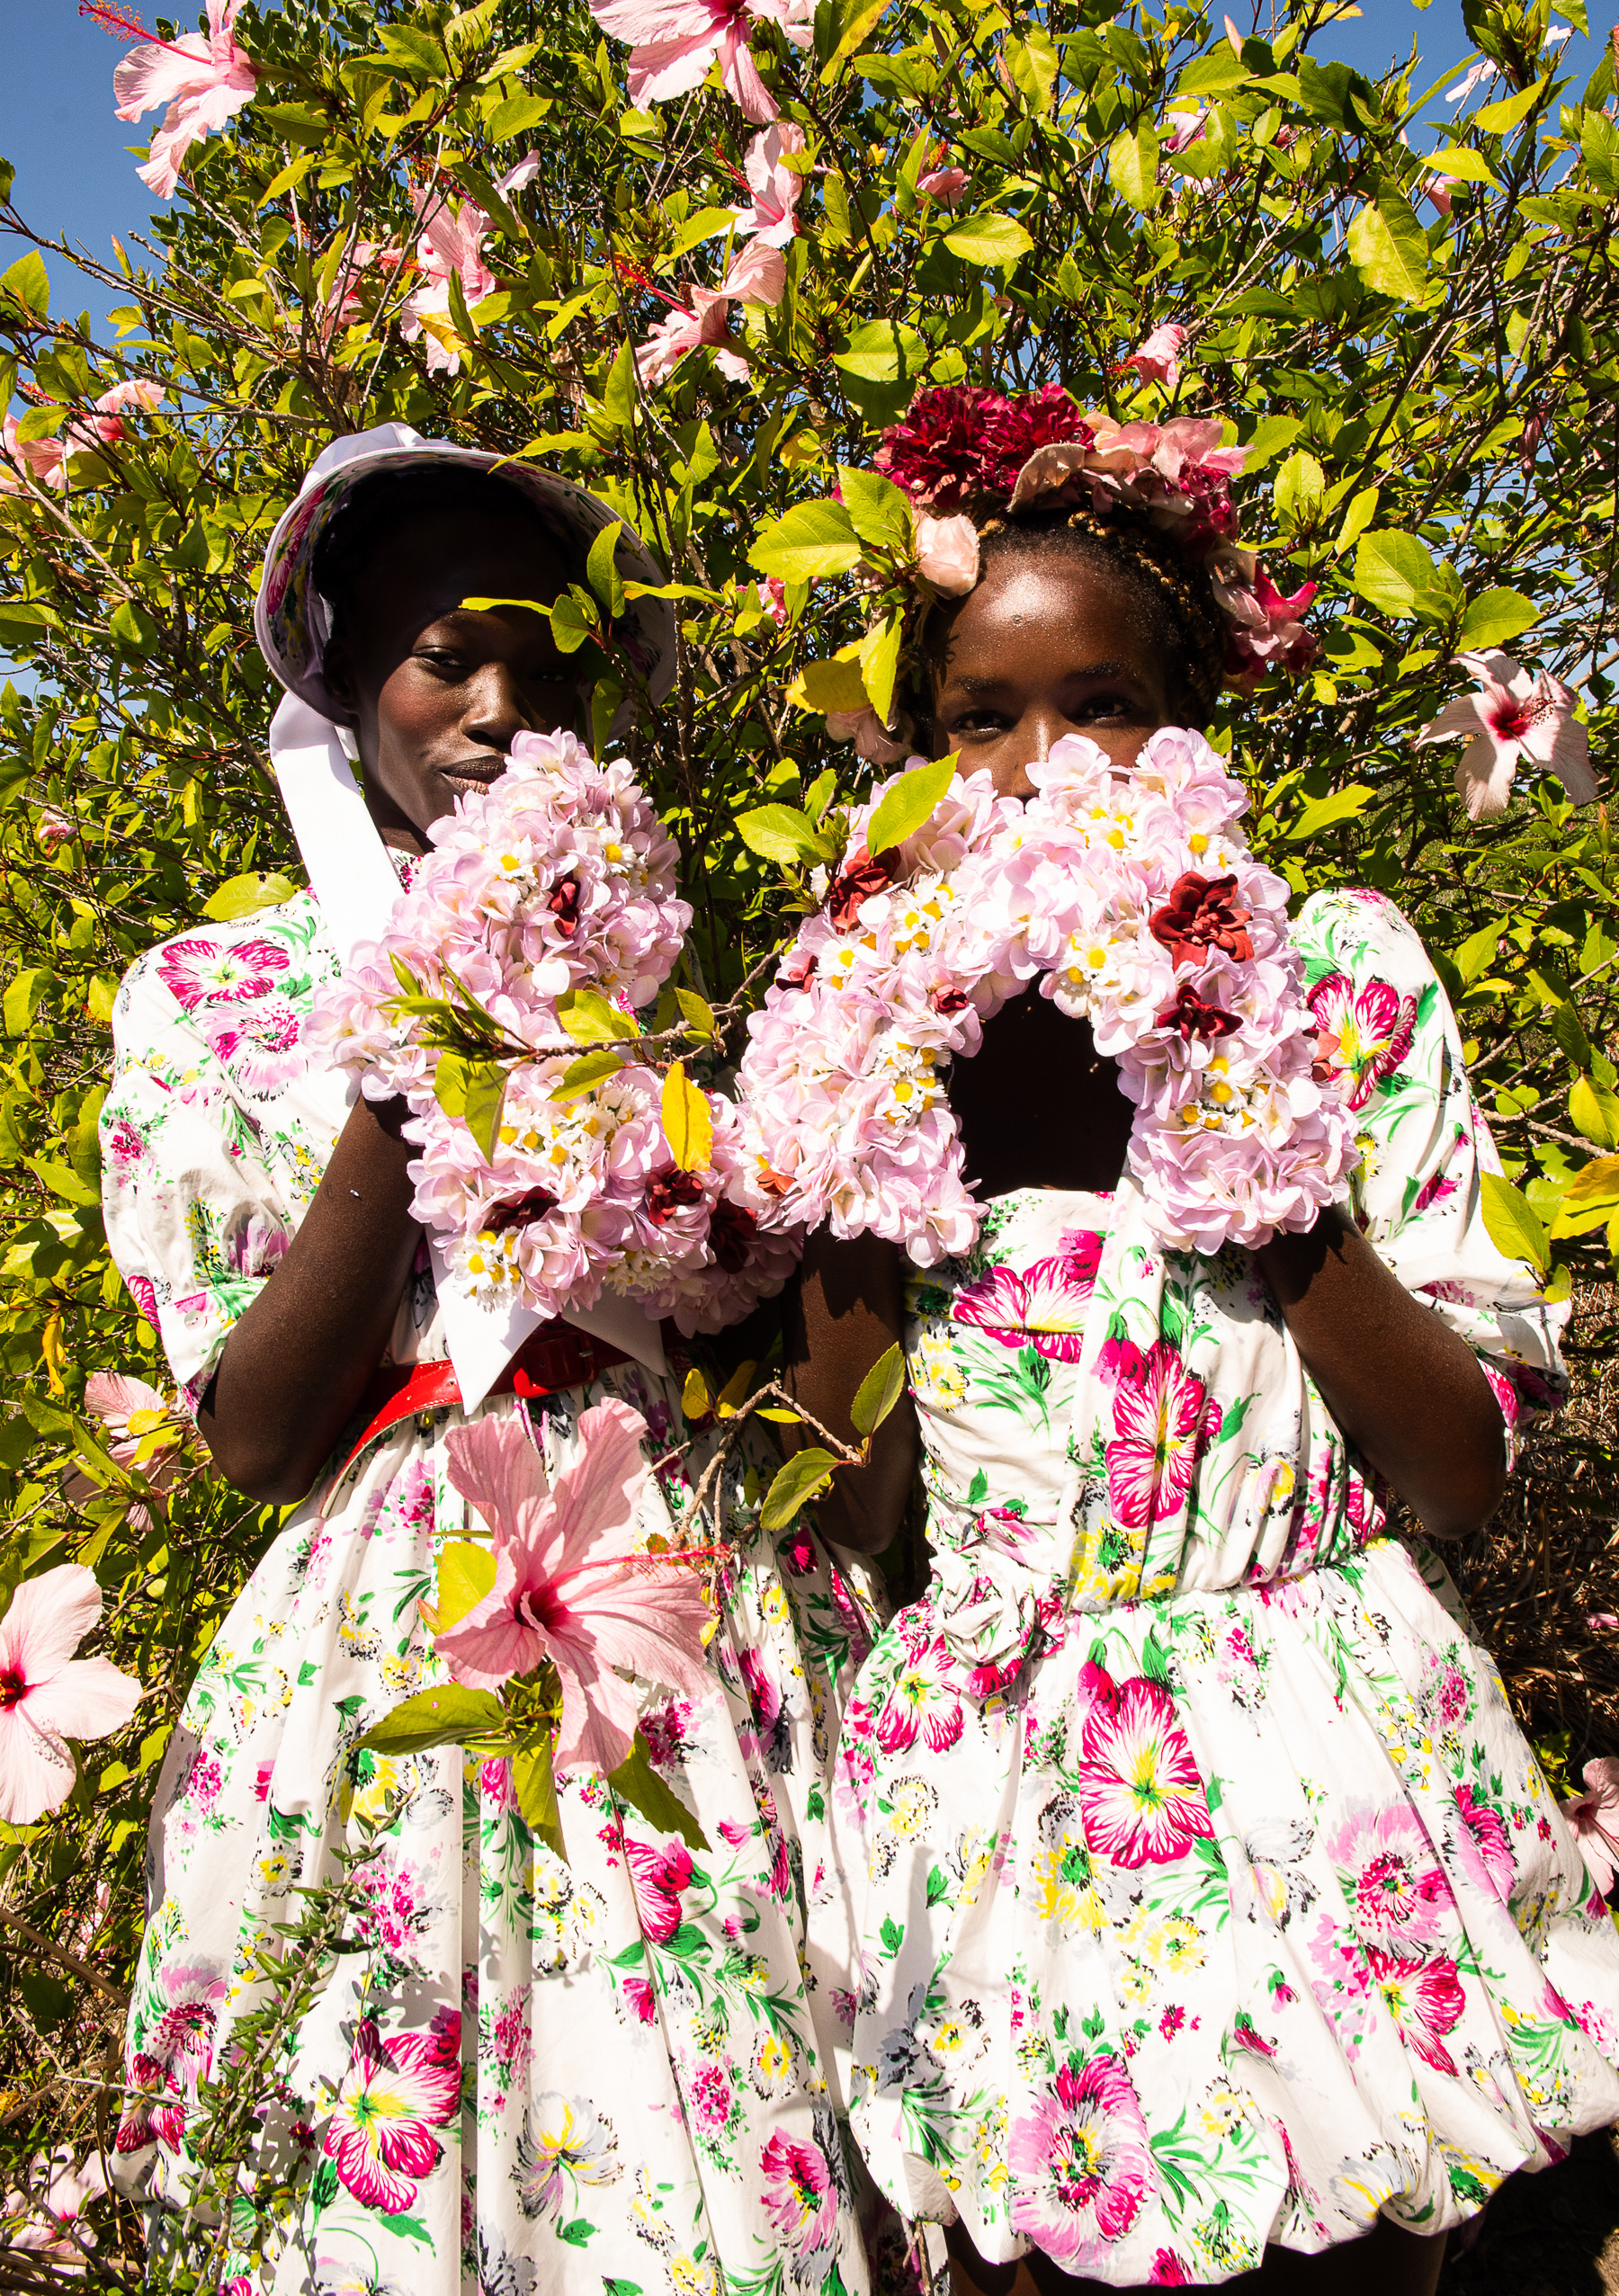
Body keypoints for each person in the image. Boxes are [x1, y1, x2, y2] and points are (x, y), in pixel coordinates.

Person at [783, 389, 1619, 2293]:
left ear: (1199, 732)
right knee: (1023, 2253)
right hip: (1012, 1786)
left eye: (1106, 704)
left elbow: (1461, 1462)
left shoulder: (1333, 972)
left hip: (1321, 1745)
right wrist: (871, 1124)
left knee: (1351, 2251)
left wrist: (1226, 1115)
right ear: (905, 769)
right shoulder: (879, 1023)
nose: (1046, 767)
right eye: (977, 723)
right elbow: (842, 1500)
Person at [102, 427, 876, 2296]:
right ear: (346, 670)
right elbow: (269, 1431)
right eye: (445, 655)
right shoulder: (214, 996)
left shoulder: (649, 981)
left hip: (668, 1598)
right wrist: (417, 1047)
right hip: (401, 1635)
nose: (498, 705)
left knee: (695, 2136)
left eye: (542, 658)